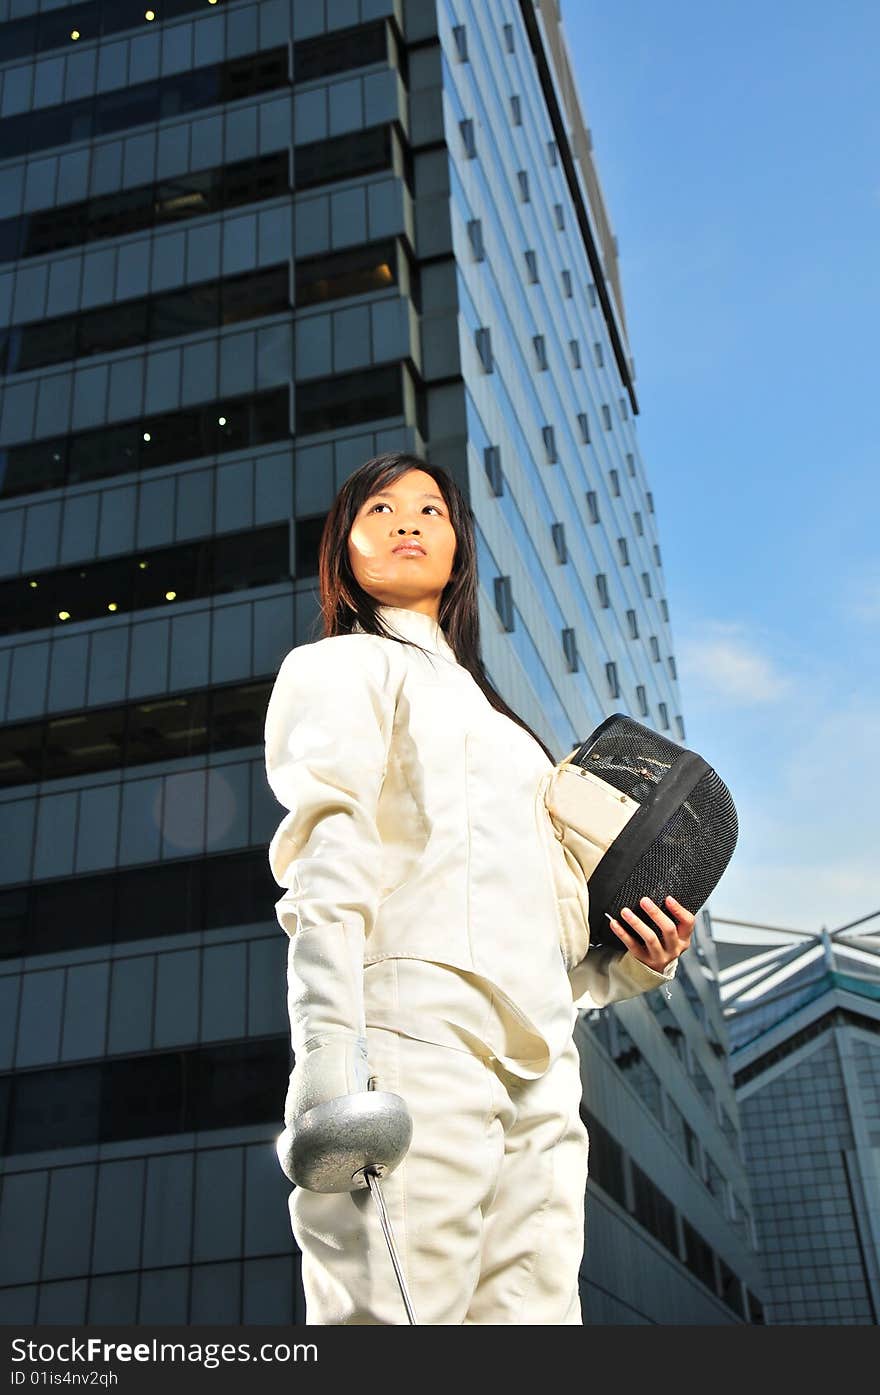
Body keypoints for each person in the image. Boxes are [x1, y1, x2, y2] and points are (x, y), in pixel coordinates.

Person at [263, 451, 695, 1326]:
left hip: (540, 1066)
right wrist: (328, 1050)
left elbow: (548, 937)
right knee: (391, 1317)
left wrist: (637, 961)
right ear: (343, 548)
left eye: (432, 510)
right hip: (413, 1032)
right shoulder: (341, 667)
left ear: (459, 548)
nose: (409, 522)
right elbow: (326, 859)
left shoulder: (515, 738)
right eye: (381, 509)